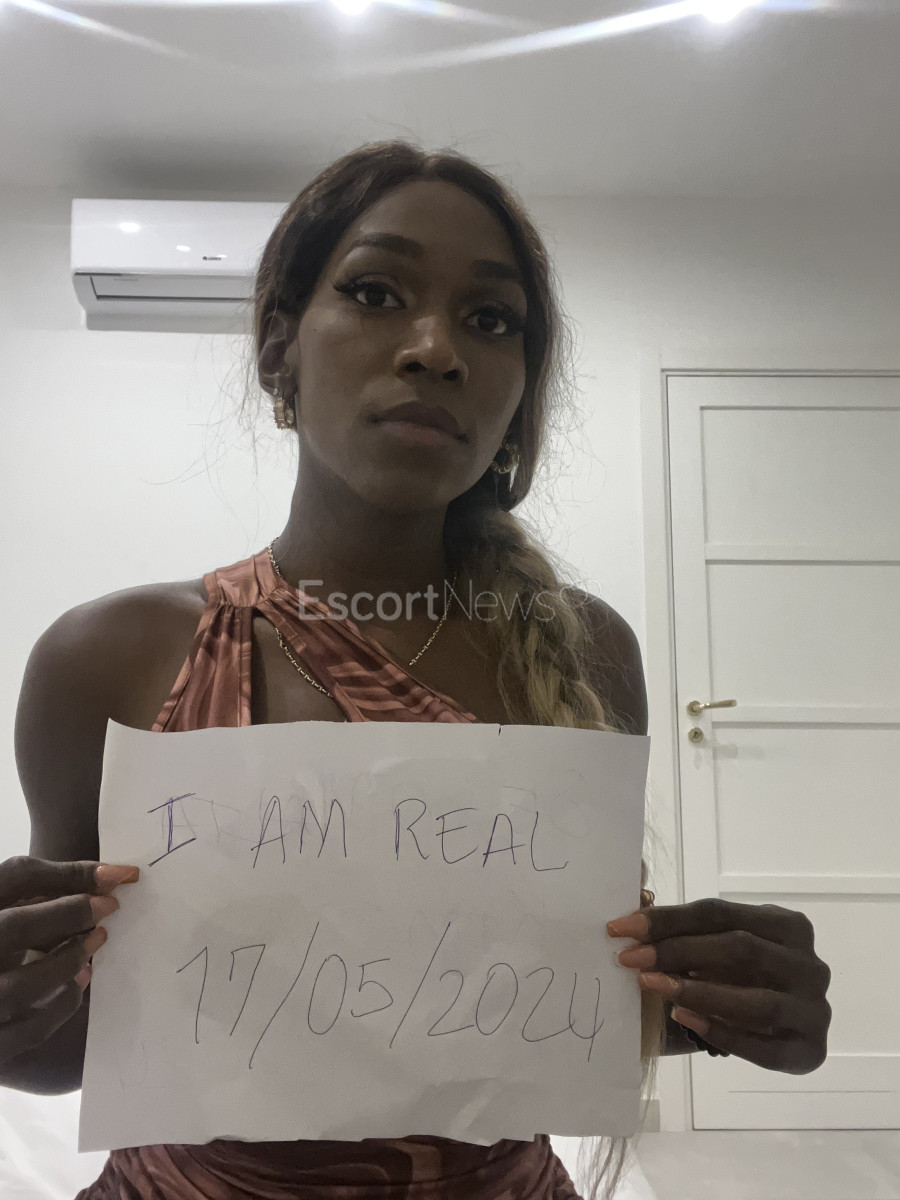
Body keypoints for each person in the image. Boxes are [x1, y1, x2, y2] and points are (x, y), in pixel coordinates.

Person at [5, 141, 829, 1200]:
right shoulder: (110, 657)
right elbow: (64, 1048)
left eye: (490, 318)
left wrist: (729, 1011)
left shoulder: (582, 651)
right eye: (375, 293)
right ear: (279, 349)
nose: (436, 349)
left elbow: (530, 1015)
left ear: (518, 393)